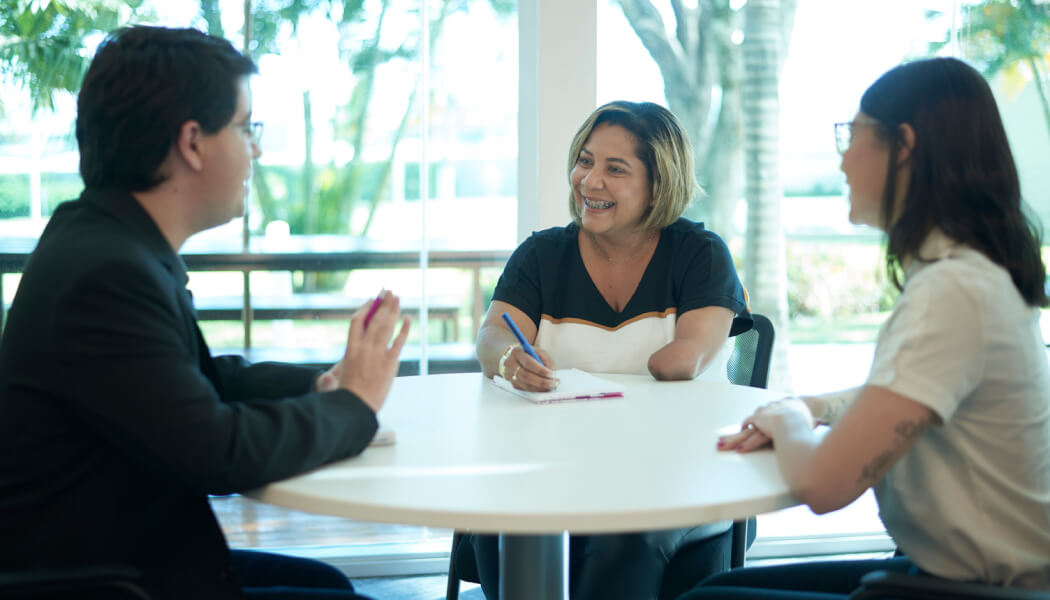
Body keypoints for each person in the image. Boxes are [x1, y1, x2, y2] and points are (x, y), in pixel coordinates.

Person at [0, 26, 411, 599]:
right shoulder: (108, 273)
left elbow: (202, 381)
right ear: (191, 142)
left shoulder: (105, 240)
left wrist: (320, 385)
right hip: (114, 582)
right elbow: (218, 452)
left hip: (139, 557)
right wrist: (353, 407)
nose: (257, 149)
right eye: (246, 128)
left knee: (328, 583)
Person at [678, 57, 1050, 599]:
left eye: (852, 136)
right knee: (720, 588)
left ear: (903, 146)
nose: (844, 161)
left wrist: (785, 421)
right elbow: (909, 396)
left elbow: (824, 484)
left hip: (975, 590)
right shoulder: (972, 275)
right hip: (965, 576)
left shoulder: (953, 292)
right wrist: (813, 406)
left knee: (707, 599)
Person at [465, 101, 752, 600]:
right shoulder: (541, 254)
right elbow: (493, 337)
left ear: (659, 184)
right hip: (561, 469)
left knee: (622, 541)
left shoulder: (700, 255)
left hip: (684, 476)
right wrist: (512, 359)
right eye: (585, 160)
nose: (589, 181)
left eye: (615, 169)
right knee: (501, 524)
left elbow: (683, 360)